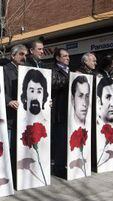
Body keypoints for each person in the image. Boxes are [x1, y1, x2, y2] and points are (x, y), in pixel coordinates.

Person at [51, 48, 70, 177]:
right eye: (64, 56)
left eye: (68, 56)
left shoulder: (70, 70)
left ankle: (66, 164)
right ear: (57, 58)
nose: (67, 58)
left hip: (70, 110)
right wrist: (70, 80)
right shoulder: (54, 70)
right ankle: (59, 168)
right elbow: (54, 84)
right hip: (59, 110)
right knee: (60, 140)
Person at [4, 44, 28, 142]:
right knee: (9, 146)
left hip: (24, 117)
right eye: (21, 54)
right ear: (13, 56)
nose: (24, 57)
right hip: (10, 116)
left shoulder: (27, 71)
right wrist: (9, 101)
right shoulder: (4, 69)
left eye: (25, 55)